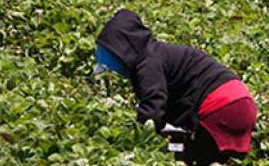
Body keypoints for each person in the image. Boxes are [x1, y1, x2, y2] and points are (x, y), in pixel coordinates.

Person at [93, 9, 257, 165]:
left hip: (221, 107)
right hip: (241, 102)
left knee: (197, 159)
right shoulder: (159, 53)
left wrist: (132, 141)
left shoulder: (148, 63)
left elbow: (153, 109)